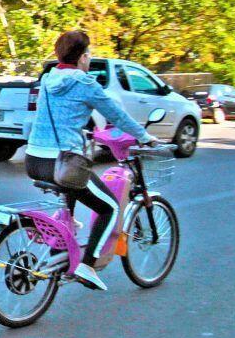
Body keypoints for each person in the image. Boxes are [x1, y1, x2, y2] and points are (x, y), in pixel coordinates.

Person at [25, 31, 157, 291]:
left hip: (34, 159)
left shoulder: (47, 80)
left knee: (73, 190)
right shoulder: (85, 84)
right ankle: (87, 265)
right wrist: (145, 136)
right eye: (89, 54)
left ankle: (63, 238)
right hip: (63, 163)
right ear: (83, 57)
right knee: (110, 208)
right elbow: (116, 115)